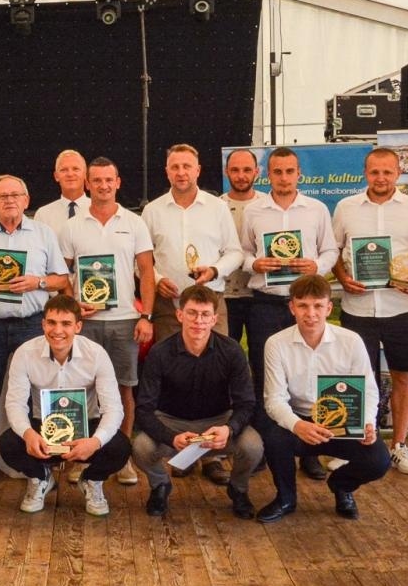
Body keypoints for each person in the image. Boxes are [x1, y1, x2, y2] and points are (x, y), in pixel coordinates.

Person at [0, 174, 69, 487]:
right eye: (2, 196)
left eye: (15, 195)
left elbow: (62, 279)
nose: (9, 200)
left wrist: (38, 282)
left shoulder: (44, 234)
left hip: (31, 325)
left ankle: (40, 466)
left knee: (36, 397)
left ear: (26, 201)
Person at [331, 147, 408, 475]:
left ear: (398, 174)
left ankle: (399, 446)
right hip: (357, 307)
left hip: (401, 308)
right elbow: (333, 251)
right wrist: (344, 278)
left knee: (402, 376)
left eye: (387, 172)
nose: (381, 178)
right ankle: (353, 448)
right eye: (374, 172)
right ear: (365, 173)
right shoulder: (346, 208)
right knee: (354, 381)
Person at [256, 275, 392, 523]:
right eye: (303, 306)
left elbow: (369, 390)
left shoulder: (351, 341)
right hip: (300, 420)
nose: (311, 314)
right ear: (292, 307)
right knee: (275, 439)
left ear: (329, 307)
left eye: (318, 306)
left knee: (379, 460)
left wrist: (367, 423)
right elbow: (274, 399)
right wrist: (298, 425)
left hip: (345, 420)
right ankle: (286, 498)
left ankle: (342, 486)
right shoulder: (276, 344)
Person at [240, 146, 338, 483]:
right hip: (266, 303)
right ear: (268, 175)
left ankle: (309, 453)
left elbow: (331, 250)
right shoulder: (254, 210)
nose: (283, 178)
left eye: (289, 171)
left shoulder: (316, 209)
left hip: (306, 306)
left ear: (300, 175)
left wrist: (317, 266)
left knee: (308, 376)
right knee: (265, 376)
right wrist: (255, 263)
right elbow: (242, 251)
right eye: (277, 172)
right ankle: (267, 449)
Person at [58, 156, 154, 487]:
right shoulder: (72, 225)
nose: (102, 185)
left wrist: (146, 315)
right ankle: (81, 456)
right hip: (85, 323)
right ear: (87, 184)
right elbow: (62, 274)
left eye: (108, 180)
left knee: (124, 387)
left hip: (125, 319)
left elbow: (147, 271)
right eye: (96, 180)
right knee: (83, 389)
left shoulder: (134, 222)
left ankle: (122, 456)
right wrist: (73, 305)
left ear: (118, 182)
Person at [131, 285, 261, 519]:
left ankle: (238, 488)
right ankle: (160, 485)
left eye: (204, 315)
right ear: (180, 315)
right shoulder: (160, 353)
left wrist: (228, 428)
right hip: (171, 422)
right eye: (191, 313)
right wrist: (170, 437)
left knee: (253, 446)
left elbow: (246, 403)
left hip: (218, 421)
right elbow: (144, 409)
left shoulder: (231, 351)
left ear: (214, 318)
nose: (198, 321)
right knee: (141, 447)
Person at [0, 295, 131, 515]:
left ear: (78, 326)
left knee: (121, 447)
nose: (57, 330)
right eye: (51, 322)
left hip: (86, 428)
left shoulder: (96, 354)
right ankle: (41, 478)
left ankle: (91, 480)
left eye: (66, 324)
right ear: (43, 324)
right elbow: (15, 403)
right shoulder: (24, 353)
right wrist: (28, 434)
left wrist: (95, 442)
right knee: (7, 444)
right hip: (43, 428)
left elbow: (113, 409)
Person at [142, 144, 241, 342]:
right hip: (169, 306)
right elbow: (140, 262)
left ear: (198, 170)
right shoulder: (152, 211)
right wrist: (158, 279)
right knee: (171, 366)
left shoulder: (218, 208)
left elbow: (235, 253)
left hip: (211, 303)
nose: (181, 172)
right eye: (175, 167)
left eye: (187, 166)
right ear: (166, 172)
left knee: (216, 365)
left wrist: (214, 270)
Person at [221, 149, 267, 351]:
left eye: (247, 170)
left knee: (262, 356)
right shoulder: (215, 207)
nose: (241, 176)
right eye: (235, 170)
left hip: (261, 296)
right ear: (226, 172)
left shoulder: (268, 205)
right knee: (225, 356)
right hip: (225, 296)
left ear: (257, 171)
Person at [33, 149, 90, 239]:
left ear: (85, 174)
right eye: (64, 170)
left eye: (75, 169)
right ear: (56, 176)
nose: (70, 174)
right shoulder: (43, 215)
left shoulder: (99, 210)